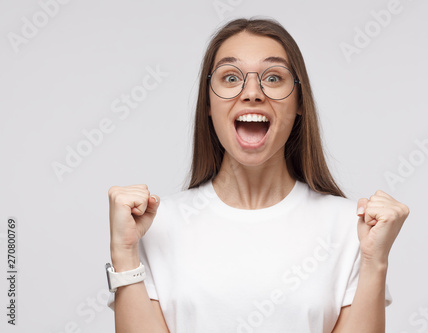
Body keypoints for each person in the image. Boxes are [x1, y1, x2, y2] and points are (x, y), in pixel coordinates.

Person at [106, 17, 410, 333]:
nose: (252, 92)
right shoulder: (155, 226)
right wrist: (124, 252)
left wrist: (375, 262)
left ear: (299, 102)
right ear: (208, 103)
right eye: (231, 77)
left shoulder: (352, 229)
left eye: (274, 77)